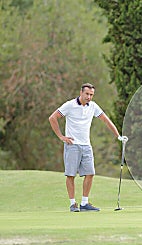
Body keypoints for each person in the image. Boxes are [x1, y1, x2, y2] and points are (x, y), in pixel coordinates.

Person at [49, 83, 128, 212]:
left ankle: (84, 203)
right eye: (87, 94)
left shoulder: (93, 106)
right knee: (71, 175)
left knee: (90, 173)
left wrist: (118, 136)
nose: (89, 97)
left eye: (91, 95)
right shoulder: (70, 105)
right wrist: (61, 136)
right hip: (72, 145)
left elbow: (106, 120)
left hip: (86, 145)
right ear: (81, 93)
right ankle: (73, 203)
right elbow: (53, 118)